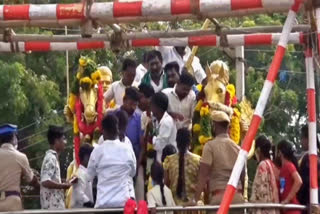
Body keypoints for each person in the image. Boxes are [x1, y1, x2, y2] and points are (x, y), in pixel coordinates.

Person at [191, 110, 244, 209]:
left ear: (214, 126)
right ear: (228, 127)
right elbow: (242, 176)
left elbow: (203, 175)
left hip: (220, 200)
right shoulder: (237, 148)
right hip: (238, 199)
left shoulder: (210, 146)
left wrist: (195, 199)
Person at [87, 114, 136, 208]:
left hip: (103, 205)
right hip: (123, 204)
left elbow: (89, 176)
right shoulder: (127, 149)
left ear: (103, 131)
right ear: (117, 130)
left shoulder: (97, 151)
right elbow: (132, 173)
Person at [0, 124, 39, 211]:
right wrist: (38, 184)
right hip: (12, 204)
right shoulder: (20, 156)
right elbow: (31, 180)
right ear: (13, 138)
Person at [164, 128, 201, 205]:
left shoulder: (169, 161)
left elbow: (166, 186)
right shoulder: (198, 161)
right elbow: (203, 186)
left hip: (175, 206)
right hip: (195, 207)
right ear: (190, 142)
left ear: (177, 142)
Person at [40, 125, 73, 209]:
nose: (65, 142)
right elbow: (45, 181)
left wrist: (63, 182)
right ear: (56, 141)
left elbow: (51, 179)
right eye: (63, 139)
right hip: (52, 208)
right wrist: (63, 186)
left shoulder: (53, 157)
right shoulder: (51, 158)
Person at [250, 135, 279, 214]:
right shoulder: (272, 164)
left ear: (258, 150)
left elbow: (260, 190)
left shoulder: (262, 165)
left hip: (264, 209)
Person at [298, 125, 320, 213]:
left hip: (309, 203)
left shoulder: (308, 158)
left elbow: (304, 182)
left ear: (308, 139)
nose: (301, 142)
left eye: (302, 138)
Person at [277, 140, 303, 214]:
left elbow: (299, 181)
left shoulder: (289, 166)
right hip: (287, 210)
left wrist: (286, 200)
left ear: (280, 152)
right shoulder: (283, 168)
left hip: (292, 209)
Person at [151, 92, 177, 163]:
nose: (150, 108)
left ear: (157, 107)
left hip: (168, 160)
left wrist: (151, 138)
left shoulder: (166, 122)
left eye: (152, 105)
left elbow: (159, 145)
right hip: (161, 158)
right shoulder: (156, 119)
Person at [71, 143, 94, 208]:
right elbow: (79, 193)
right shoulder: (80, 174)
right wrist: (90, 204)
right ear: (86, 157)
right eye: (91, 157)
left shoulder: (86, 172)